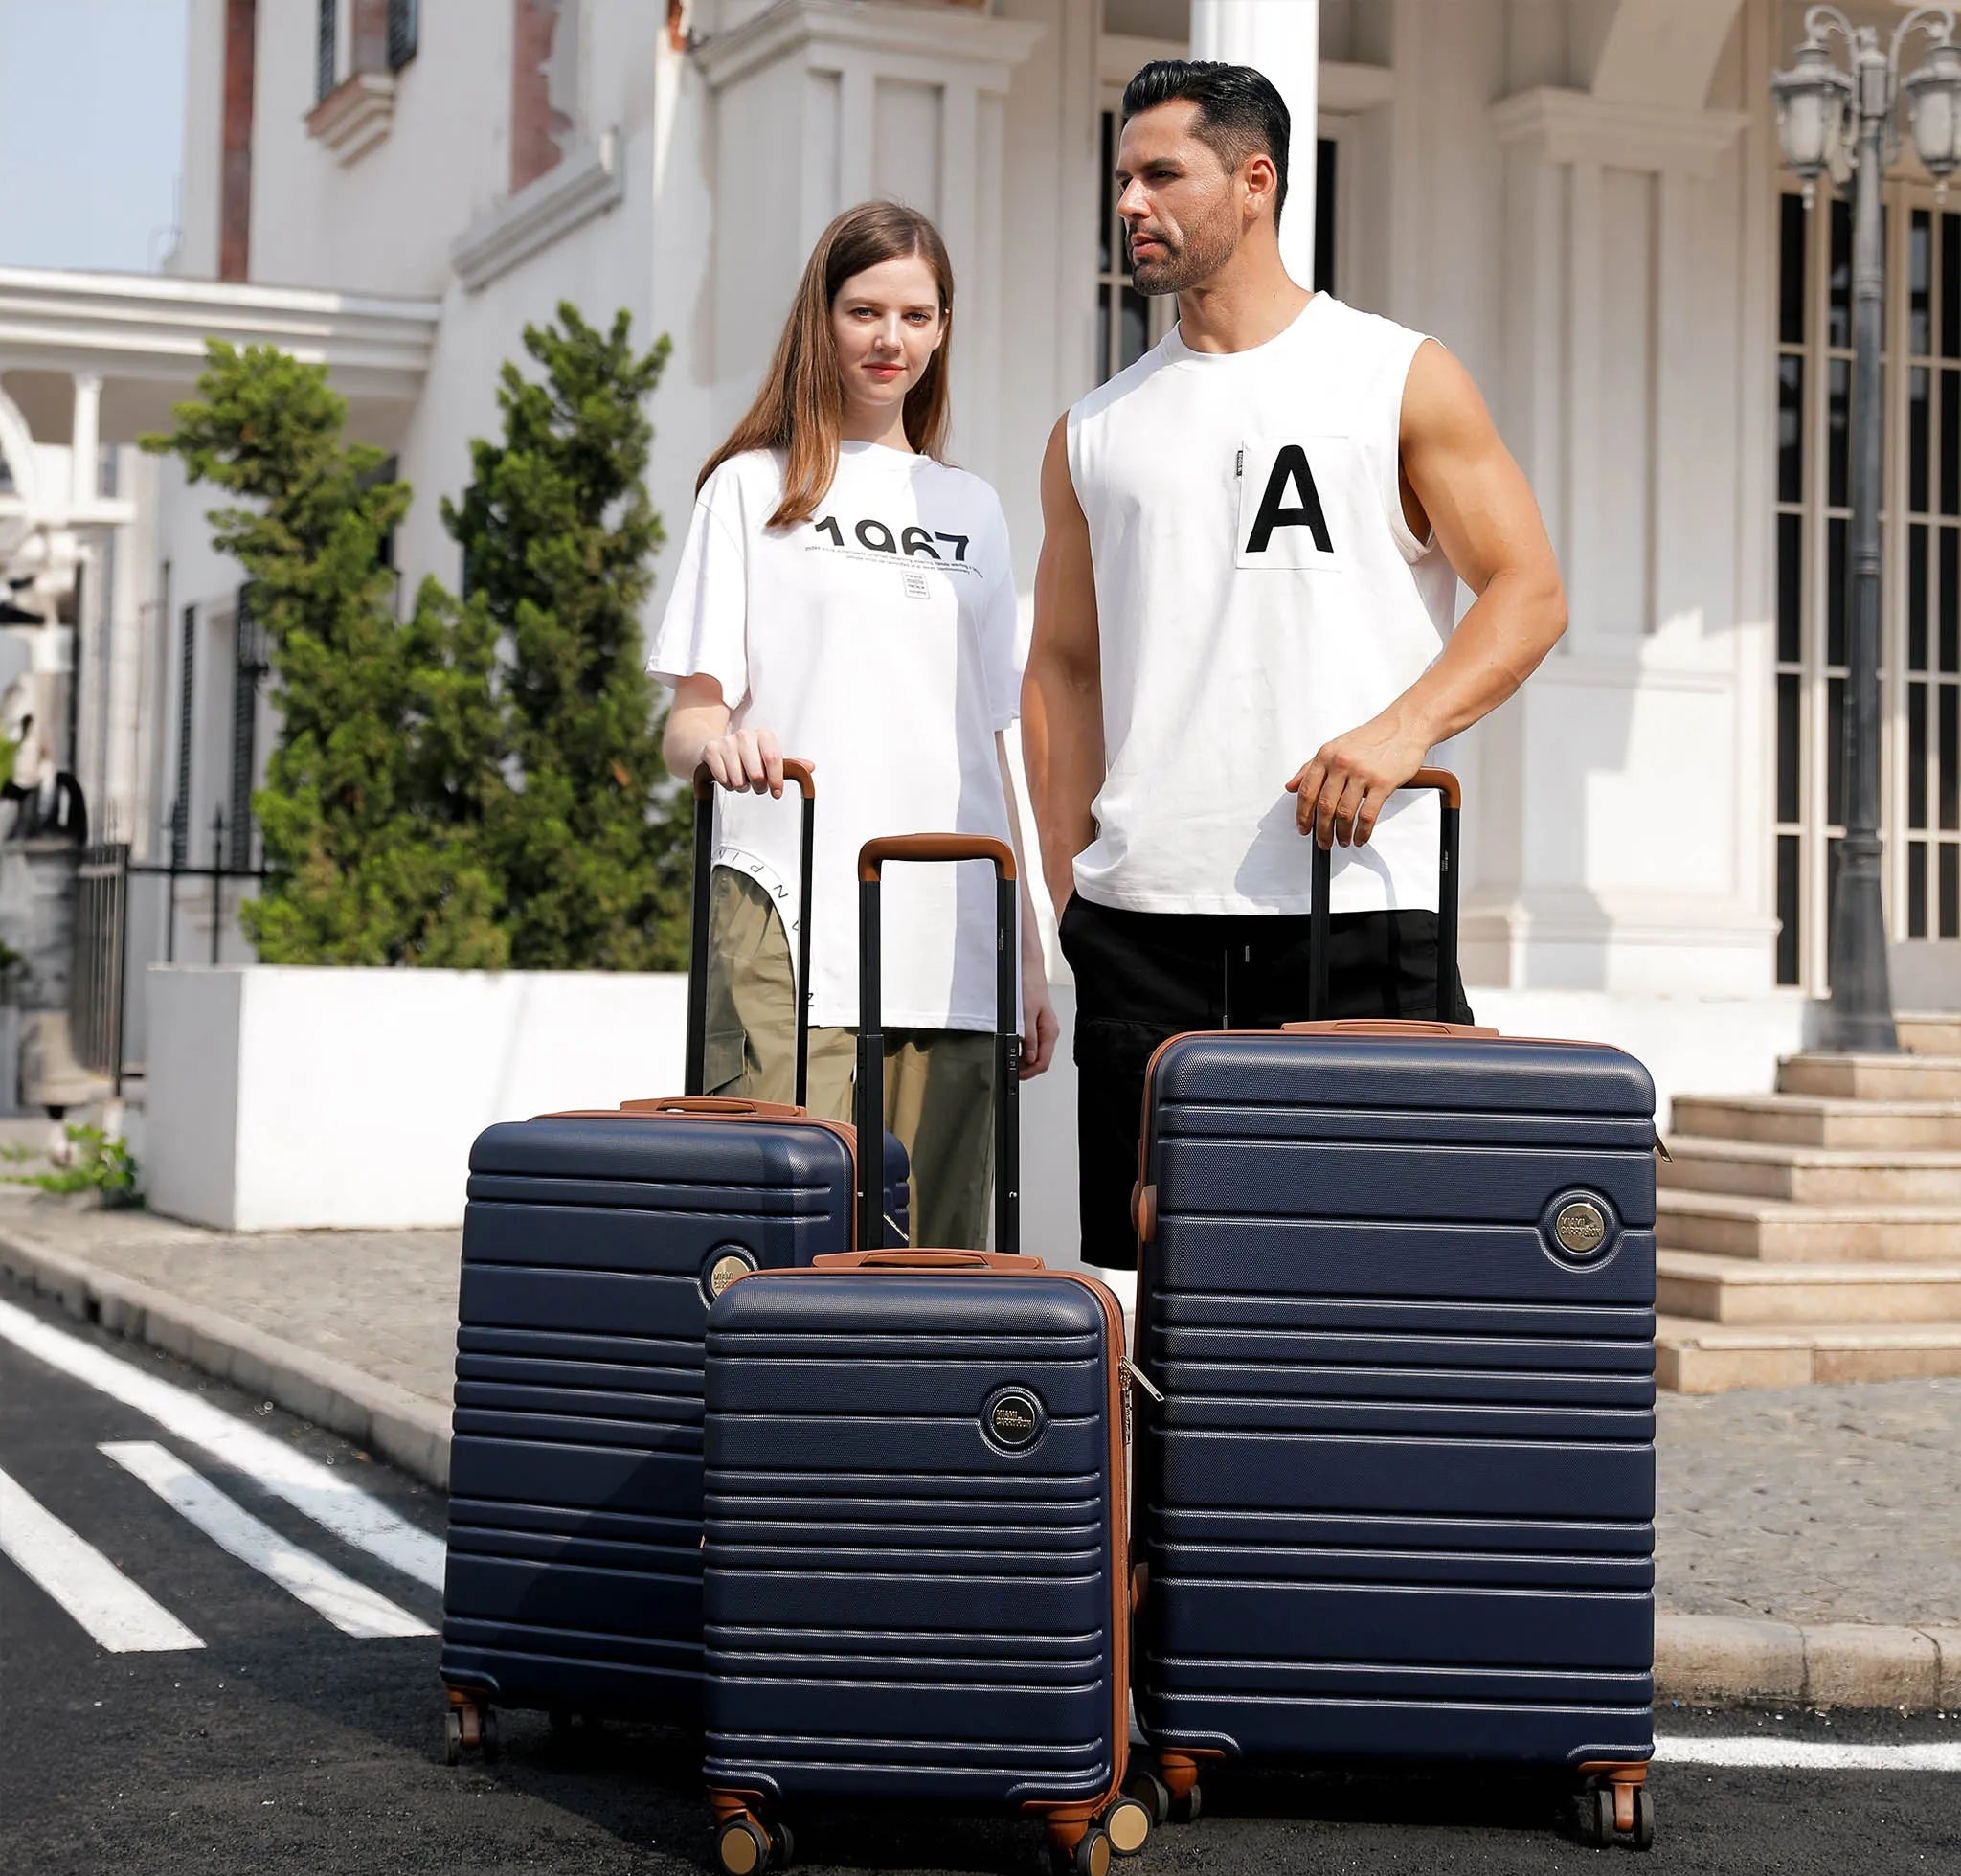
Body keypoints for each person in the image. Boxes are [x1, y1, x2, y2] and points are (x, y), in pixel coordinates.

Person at [1024, 61, 1568, 1276]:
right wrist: (1071, 891)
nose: (1130, 202)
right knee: (1141, 1287)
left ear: (1254, 182)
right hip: (1141, 928)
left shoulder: (1392, 374)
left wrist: (1398, 728)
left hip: (1356, 907)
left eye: (1161, 173)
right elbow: (1061, 668)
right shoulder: (1092, 430)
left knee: (1372, 1283)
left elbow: (1527, 592)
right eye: (1120, 177)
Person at [650, 199, 1057, 1250]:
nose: (891, 340)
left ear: (943, 328)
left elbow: (993, 737)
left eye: (917, 315)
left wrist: (1030, 954)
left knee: (945, 1253)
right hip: (794, 909)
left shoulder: (972, 507)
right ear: (819, 319)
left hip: (956, 920)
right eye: (865, 310)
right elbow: (686, 723)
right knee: (796, 1241)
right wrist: (723, 744)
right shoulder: (750, 488)